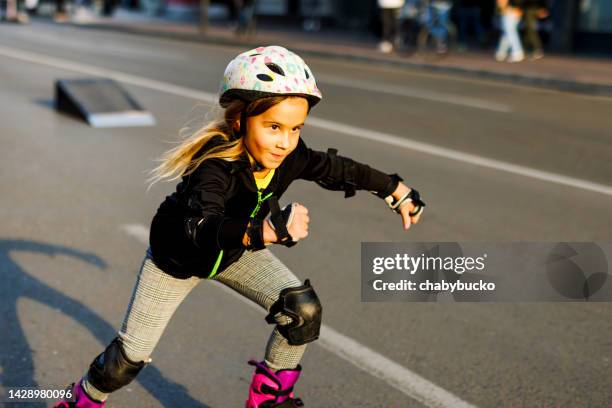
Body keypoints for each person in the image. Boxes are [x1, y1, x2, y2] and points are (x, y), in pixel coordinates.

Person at [52, 45, 425, 408]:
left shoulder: (289, 155)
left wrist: (395, 189)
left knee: (302, 310)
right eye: (273, 127)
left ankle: (268, 400)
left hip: (232, 255)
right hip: (177, 261)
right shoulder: (214, 165)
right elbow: (201, 226)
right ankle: (79, 402)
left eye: (295, 129)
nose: (284, 142)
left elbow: (338, 168)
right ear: (239, 120)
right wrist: (263, 231)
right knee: (124, 364)